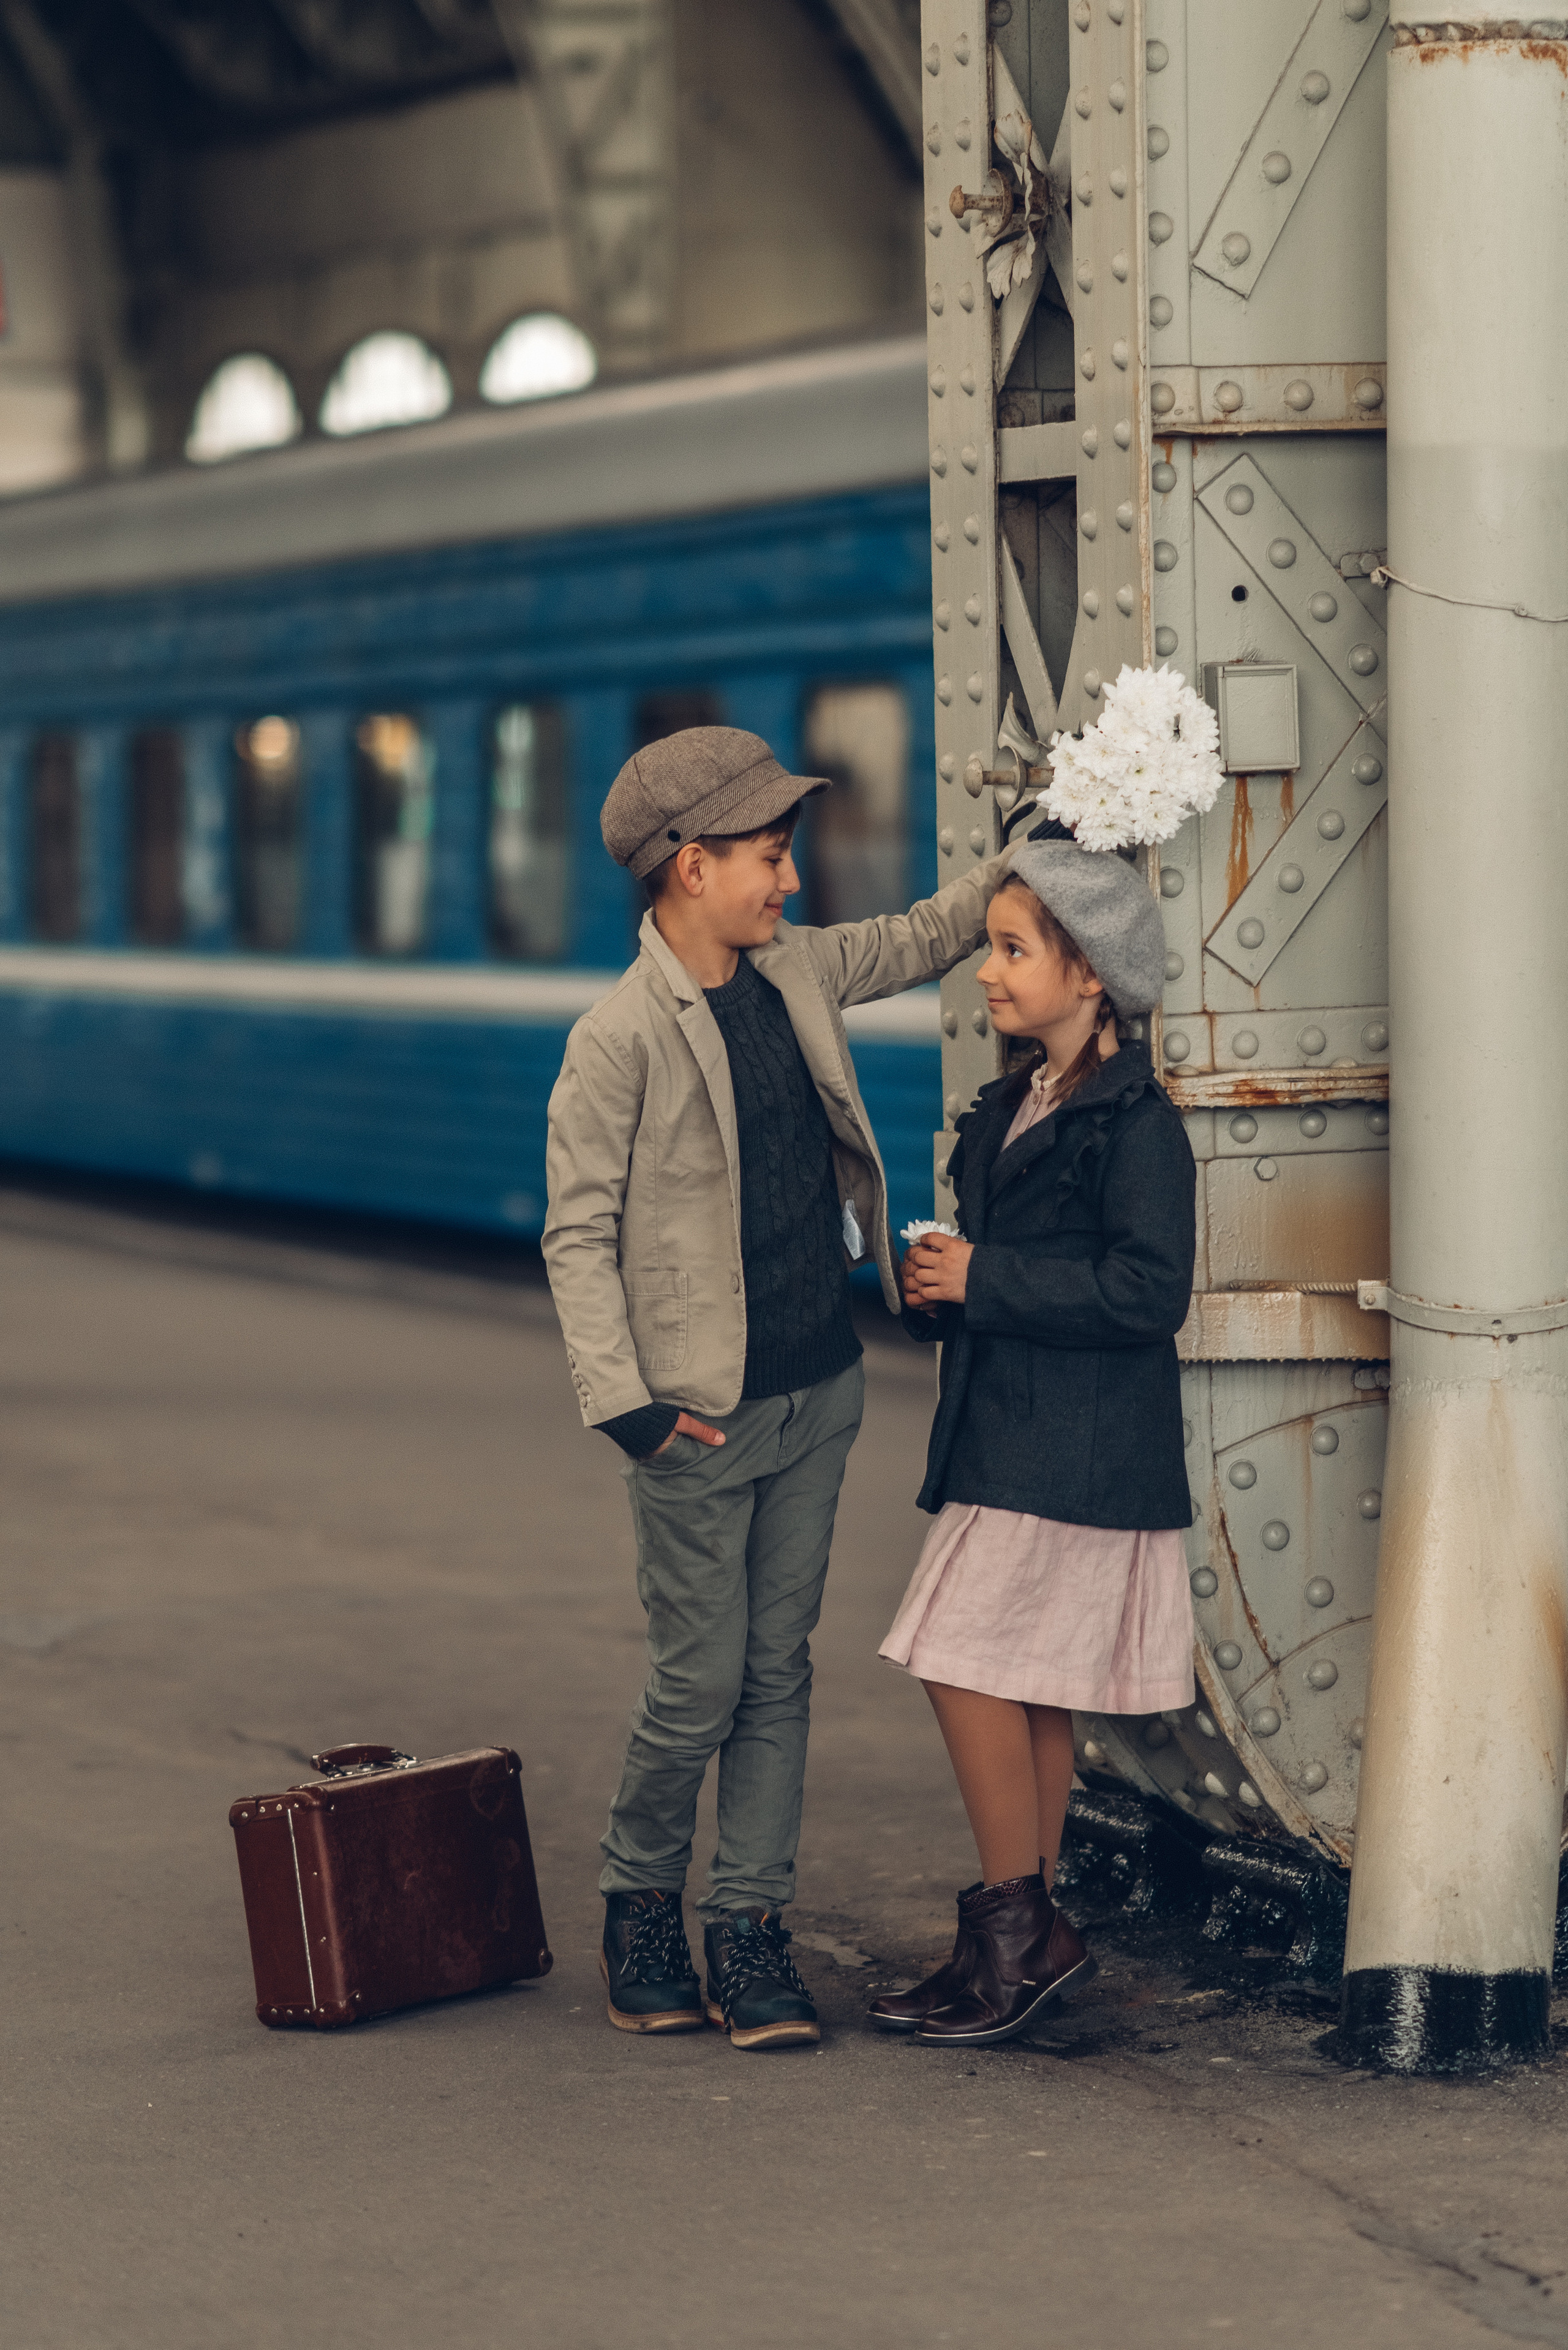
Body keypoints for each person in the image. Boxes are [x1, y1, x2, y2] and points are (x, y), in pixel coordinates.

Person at [543, 725, 1010, 2051]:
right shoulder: (617, 1037)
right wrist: (624, 1402)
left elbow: (924, 933)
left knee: (778, 1671)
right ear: (691, 868)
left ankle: (746, 1927)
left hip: (816, 1388)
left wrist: (1035, 846)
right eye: (766, 857)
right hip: (692, 1410)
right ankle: (639, 1898)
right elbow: (575, 1232)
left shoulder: (794, 968)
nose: (790, 882)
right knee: (700, 1679)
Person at [869, 838, 1197, 2049]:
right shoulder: (1011, 1104)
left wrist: (987, 1276)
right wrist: (937, 1286)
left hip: (1078, 1447)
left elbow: (1145, 1291)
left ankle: (1020, 1932)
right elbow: (1009, 1275)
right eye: (990, 948)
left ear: (1092, 973)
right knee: (1025, 1678)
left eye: (1013, 951)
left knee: (957, 1653)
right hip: (1009, 1429)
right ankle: (1020, 1932)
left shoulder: (1137, 1126)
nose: (988, 975)